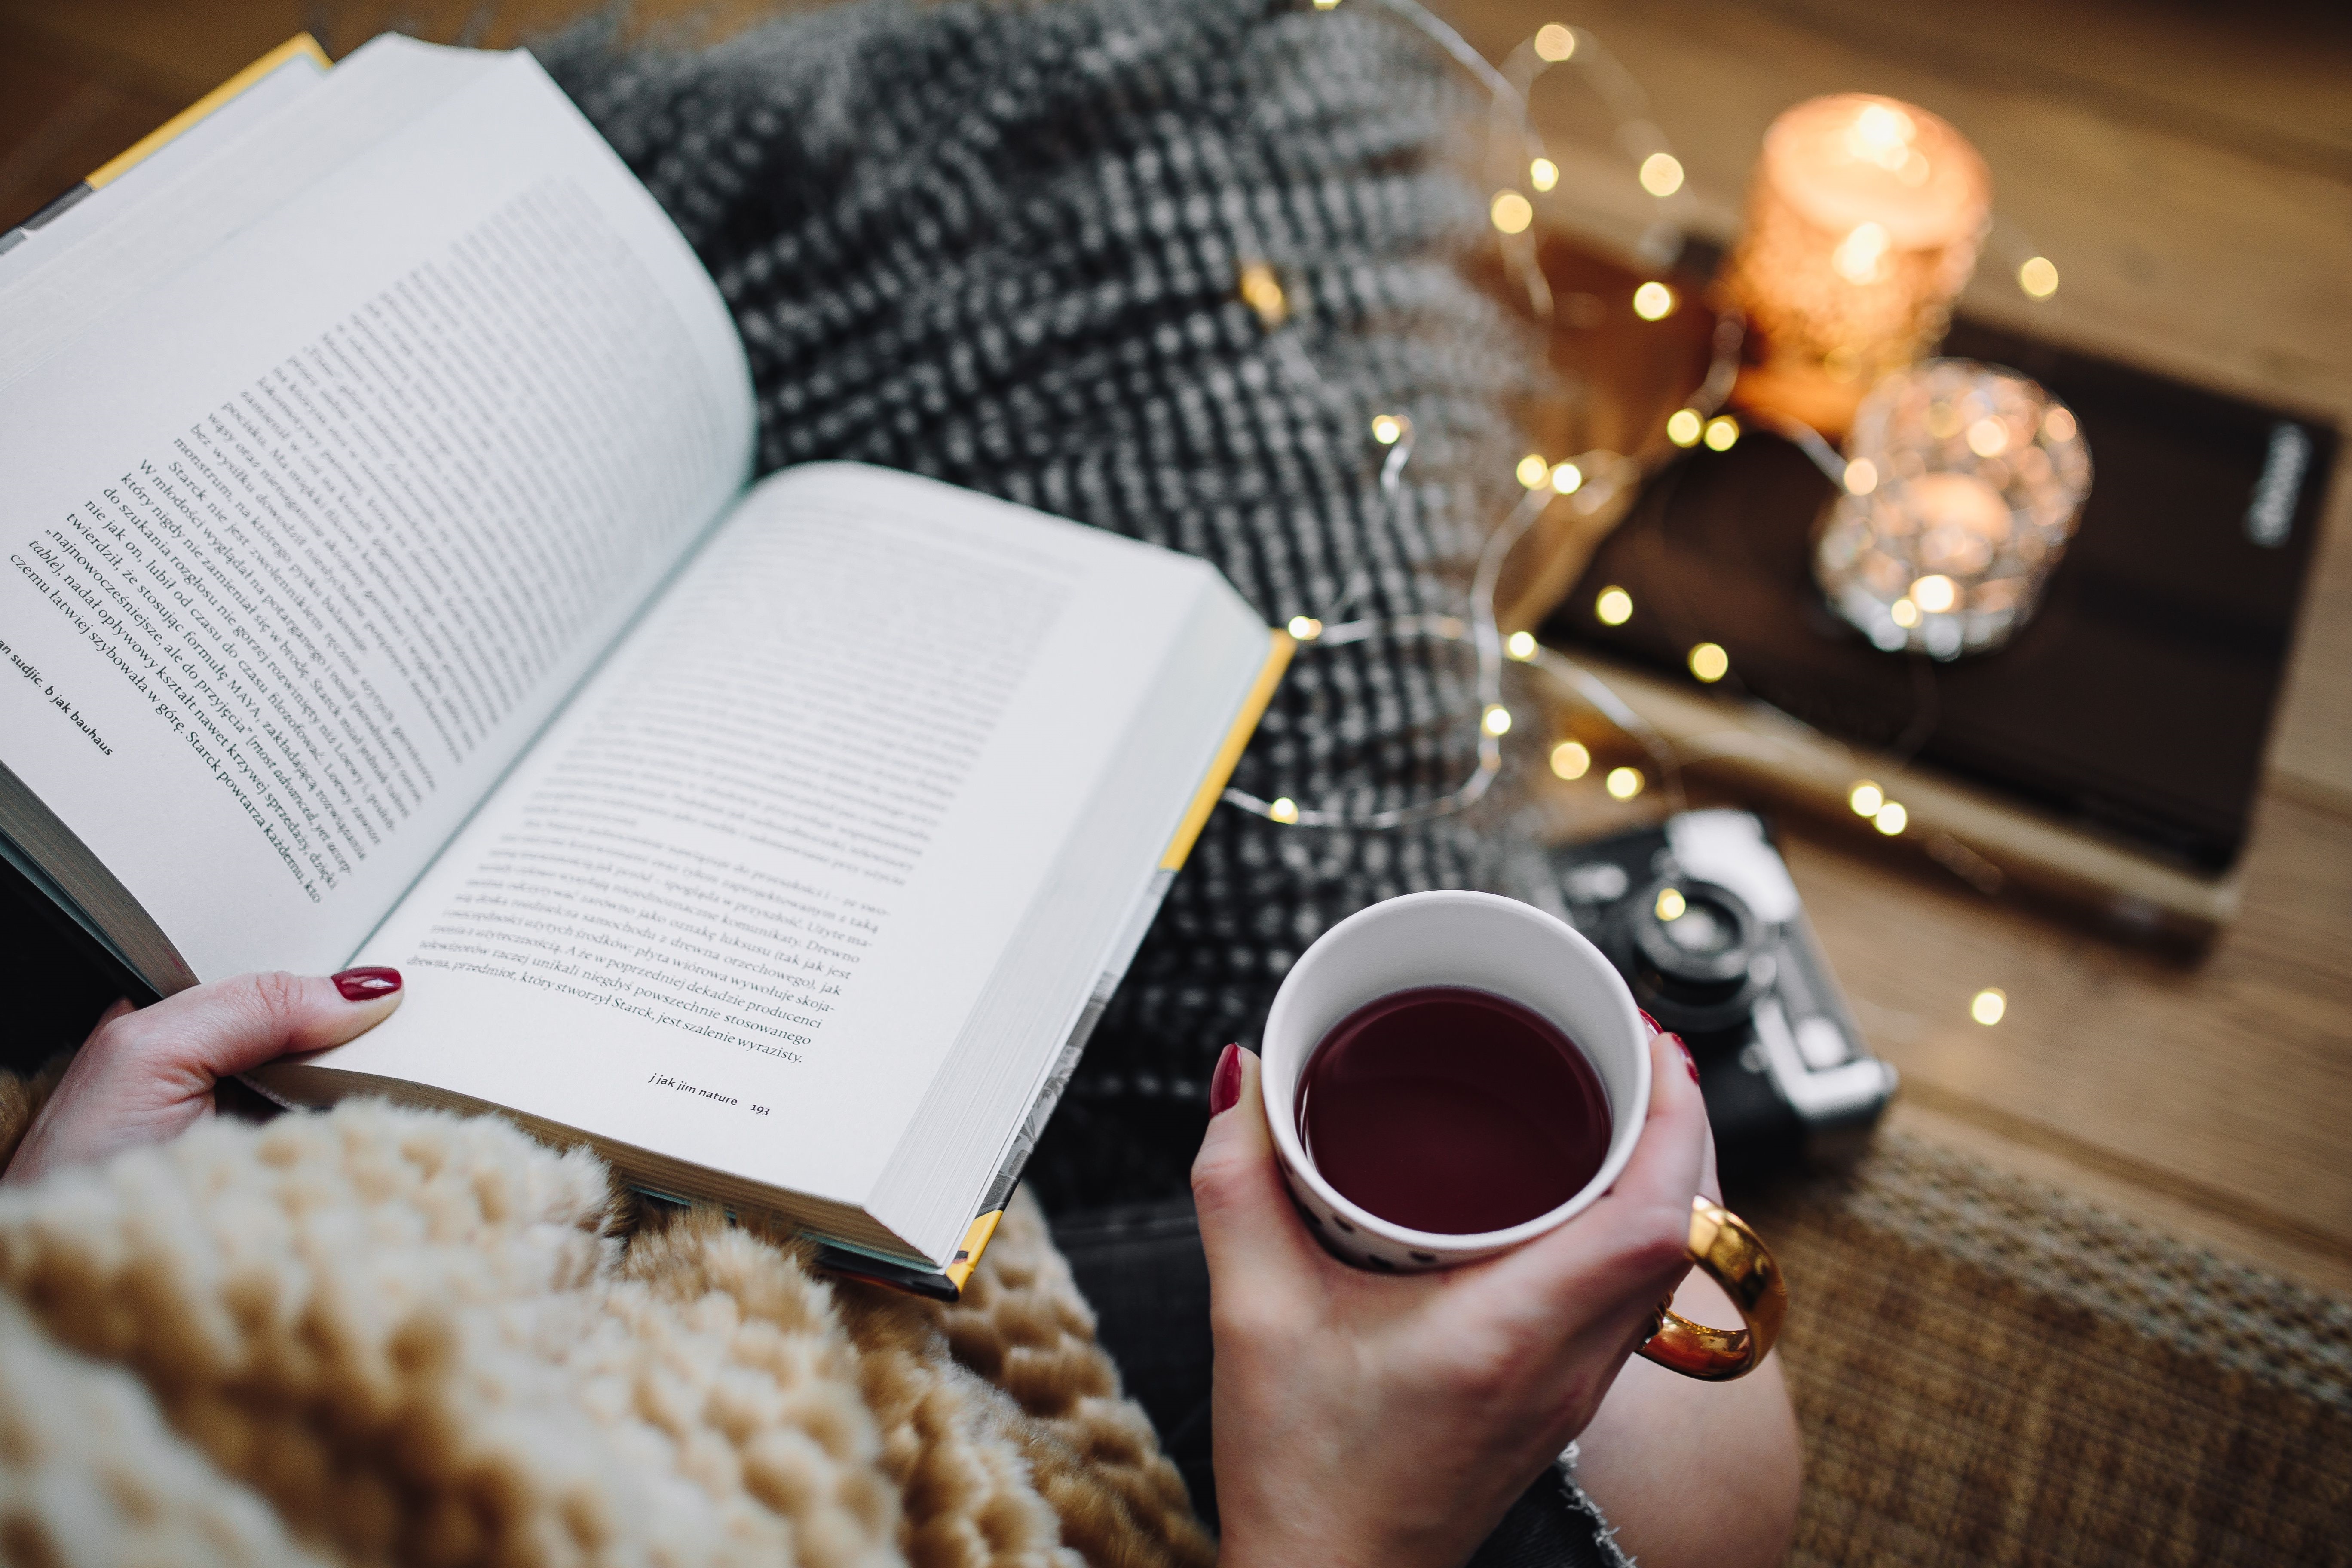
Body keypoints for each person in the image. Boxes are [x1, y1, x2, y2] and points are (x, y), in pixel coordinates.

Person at [7, 970, 1801, 1568]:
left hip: (837, 1344)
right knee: (1699, 1443)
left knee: (1677, 1411)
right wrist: (1349, 1538)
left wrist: (51, 1243)